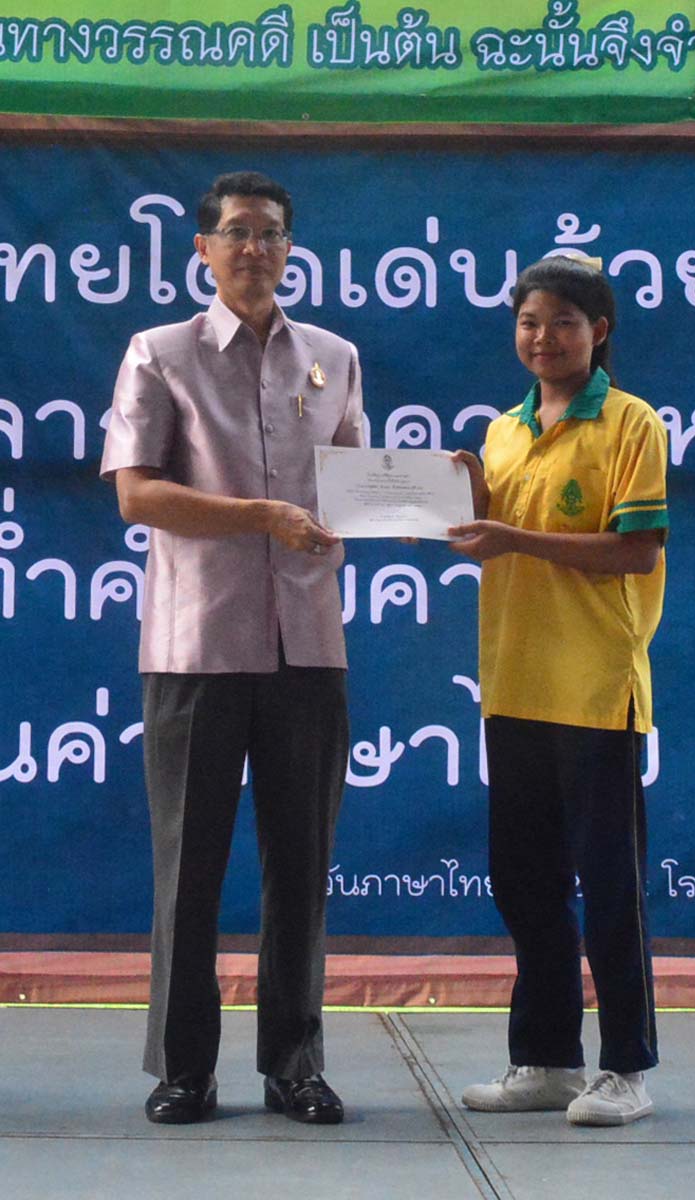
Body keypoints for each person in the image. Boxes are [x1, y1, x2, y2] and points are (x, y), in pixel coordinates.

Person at [100, 171, 363, 1126]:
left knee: (301, 865)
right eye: (239, 233)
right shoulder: (160, 352)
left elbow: (355, 491)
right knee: (190, 867)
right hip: (195, 645)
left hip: (308, 645)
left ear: (292, 250)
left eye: (273, 234)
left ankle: (295, 1064)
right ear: (203, 250)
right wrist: (259, 515)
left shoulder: (333, 356)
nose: (256, 249)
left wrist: (436, 491)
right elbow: (136, 494)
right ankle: (185, 1070)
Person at [449, 254, 668, 1127]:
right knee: (524, 881)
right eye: (529, 323)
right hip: (513, 680)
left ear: (599, 331)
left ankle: (627, 1069)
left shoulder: (630, 422)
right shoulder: (502, 431)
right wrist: (454, 504)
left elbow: (637, 550)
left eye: (564, 323)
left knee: (610, 884)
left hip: (595, 687)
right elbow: (489, 536)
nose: (544, 338)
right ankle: (546, 1059)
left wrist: (514, 537)